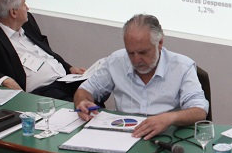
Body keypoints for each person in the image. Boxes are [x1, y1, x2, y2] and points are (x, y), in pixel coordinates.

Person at [74, 14, 208, 141]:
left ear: (160, 43)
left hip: (166, 137)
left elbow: (199, 111)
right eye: (130, 53)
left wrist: (169, 118)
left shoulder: (182, 67)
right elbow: (84, 90)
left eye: (143, 52)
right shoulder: (116, 61)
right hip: (122, 135)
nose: (136, 60)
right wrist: (83, 103)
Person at [0, 0, 86, 101]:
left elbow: (46, 52)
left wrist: (69, 67)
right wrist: (5, 80)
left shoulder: (27, 23)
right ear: (13, 12)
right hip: (45, 90)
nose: (28, 8)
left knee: (94, 86)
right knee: (82, 106)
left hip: (66, 79)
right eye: (24, 4)